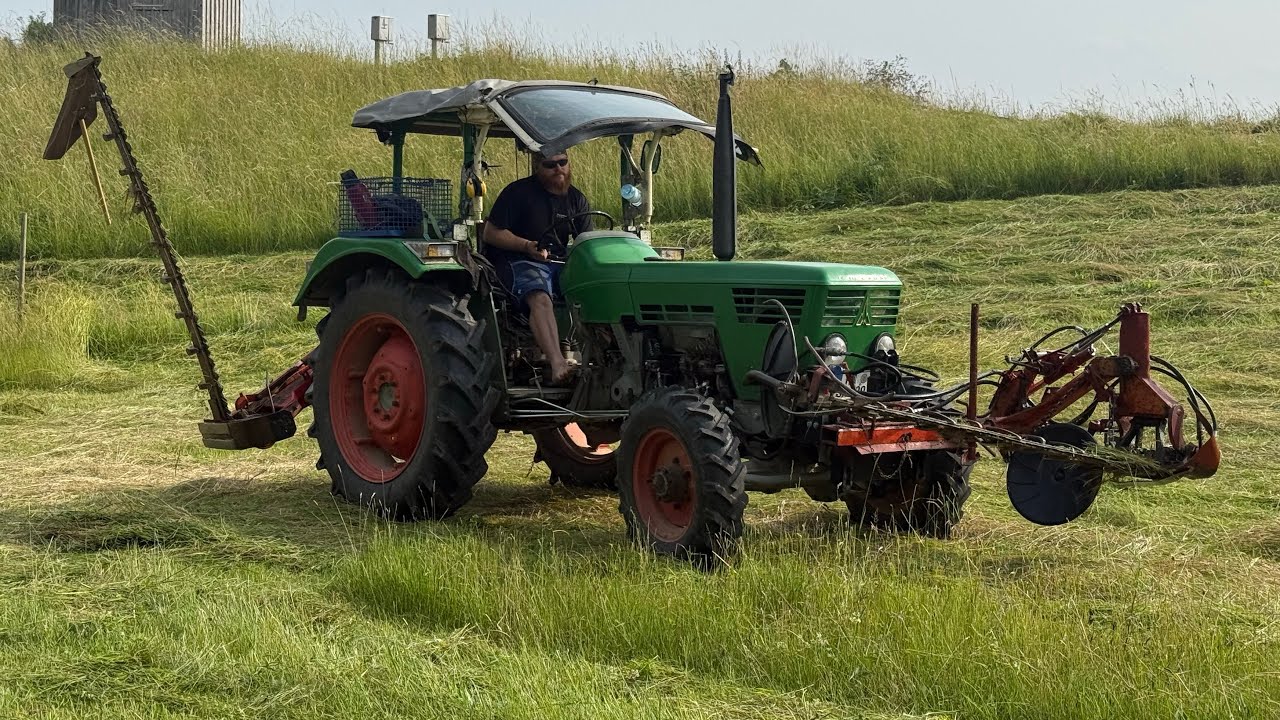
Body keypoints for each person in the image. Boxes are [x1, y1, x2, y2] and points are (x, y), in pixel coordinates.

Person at [483, 151, 593, 384]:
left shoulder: (576, 199)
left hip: (558, 263)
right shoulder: (518, 193)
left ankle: (598, 360)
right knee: (540, 296)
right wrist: (526, 245)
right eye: (550, 165)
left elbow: (586, 241)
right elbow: (491, 233)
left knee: (594, 288)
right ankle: (558, 363)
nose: (558, 169)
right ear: (537, 167)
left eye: (563, 163)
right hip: (518, 260)